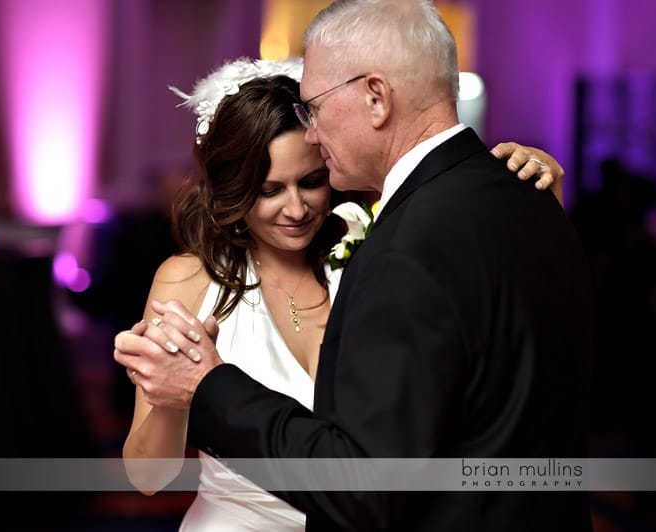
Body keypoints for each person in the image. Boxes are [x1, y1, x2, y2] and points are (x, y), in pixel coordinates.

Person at [114, 11, 582, 529]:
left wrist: (525, 204)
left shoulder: (372, 250)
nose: (295, 208)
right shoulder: (188, 280)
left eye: (311, 181)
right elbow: (148, 475)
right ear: (235, 192)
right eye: (269, 190)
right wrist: (174, 393)